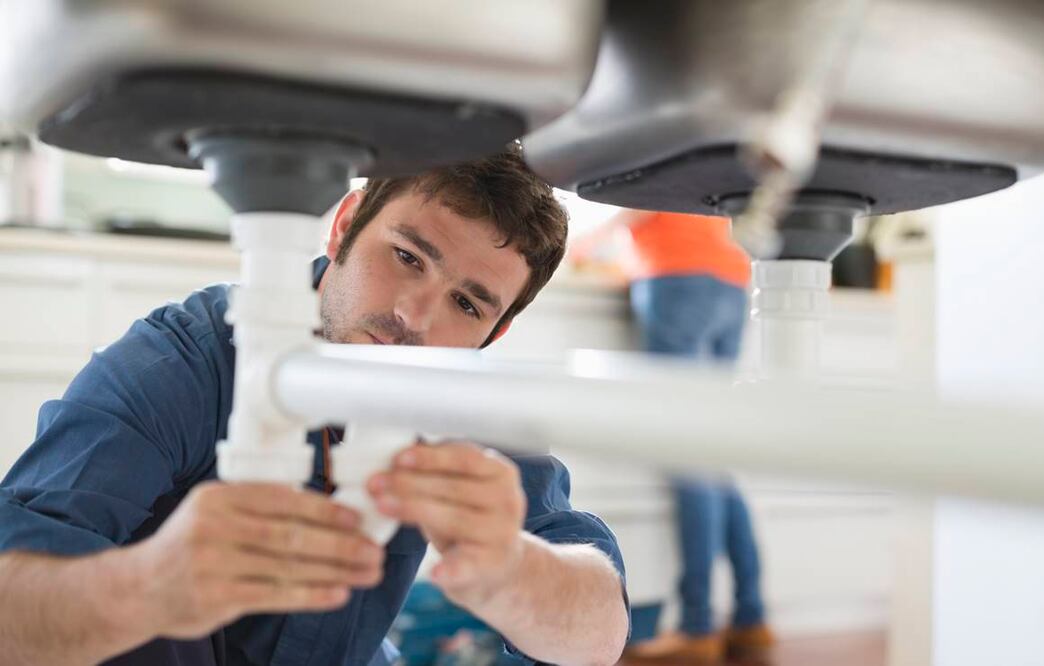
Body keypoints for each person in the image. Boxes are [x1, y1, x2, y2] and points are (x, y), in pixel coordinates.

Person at [0, 147, 629, 666]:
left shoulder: (462, 399)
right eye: (407, 257)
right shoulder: (183, 361)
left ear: (495, 332)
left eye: (467, 304)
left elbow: (599, 638)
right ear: (344, 225)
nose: (414, 317)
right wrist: (148, 588)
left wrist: (512, 566)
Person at [570, 209, 775, 665]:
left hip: (677, 275)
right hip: (731, 278)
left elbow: (637, 201)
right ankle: (751, 619)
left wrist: (582, 244)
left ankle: (697, 627)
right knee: (712, 460)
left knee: (691, 457)